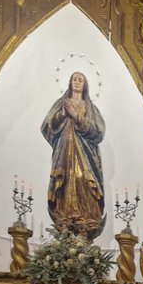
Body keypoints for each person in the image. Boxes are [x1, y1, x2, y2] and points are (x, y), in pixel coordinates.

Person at [41, 71, 106, 238]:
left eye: (80, 80)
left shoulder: (90, 107)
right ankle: (64, 216)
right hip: (64, 154)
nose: (77, 82)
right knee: (67, 180)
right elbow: (47, 126)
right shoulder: (62, 104)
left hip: (85, 155)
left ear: (85, 85)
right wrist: (64, 114)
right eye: (74, 79)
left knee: (83, 180)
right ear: (70, 83)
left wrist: (77, 117)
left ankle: (86, 218)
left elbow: (98, 131)